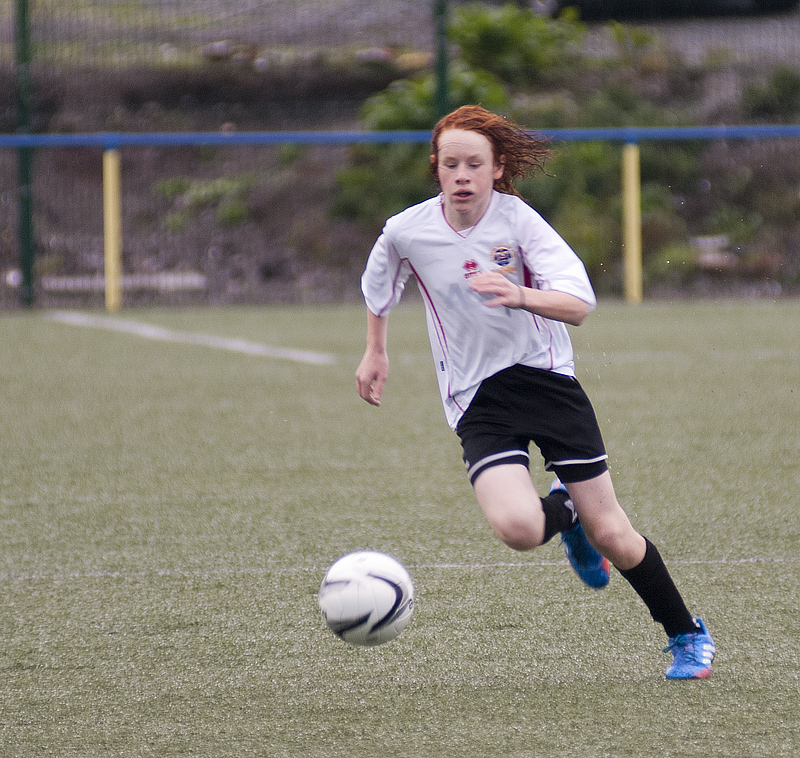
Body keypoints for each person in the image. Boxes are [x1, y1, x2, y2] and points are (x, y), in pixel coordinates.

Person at [355, 105, 715, 679]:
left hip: (547, 386)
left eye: (475, 163)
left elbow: (580, 303)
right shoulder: (407, 230)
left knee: (615, 536)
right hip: (477, 398)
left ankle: (686, 634)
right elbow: (380, 285)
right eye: (451, 164)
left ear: (497, 168)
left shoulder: (518, 221)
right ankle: (563, 512)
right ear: (437, 169)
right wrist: (376, 350)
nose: (463, 175)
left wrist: (520, 294)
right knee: (519, 530)